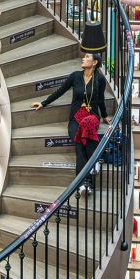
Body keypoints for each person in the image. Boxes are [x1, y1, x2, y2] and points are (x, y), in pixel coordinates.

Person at [31, 27, 108, 196]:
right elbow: (60, 91)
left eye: (87, 56)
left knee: (85, 131)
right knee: (81, 141)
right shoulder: (75, 76)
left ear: (94, 62)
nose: (83, 57)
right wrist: (44, 103)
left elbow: (101, 99)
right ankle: (91, 174)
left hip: (91, 116)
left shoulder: (99, 79)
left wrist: (105, 115)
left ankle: (81, 184)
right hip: (76, 117)